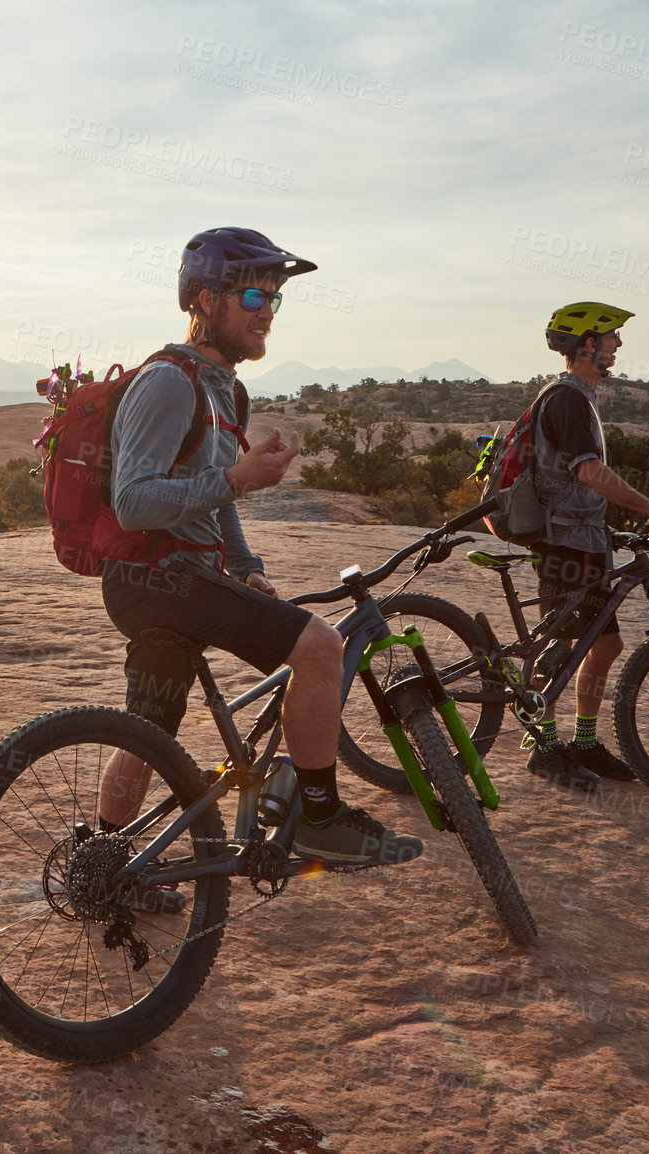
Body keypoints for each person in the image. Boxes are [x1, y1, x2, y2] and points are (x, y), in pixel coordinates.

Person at [92, 227, 424, 868]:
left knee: (147, 732)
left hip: (168, 580)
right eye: (252, 295)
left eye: (274, 297)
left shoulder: (226, 391)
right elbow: (134, 501)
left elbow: (214, 499)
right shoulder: (168, 383)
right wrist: (237, 478)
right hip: (157, 578)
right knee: (322, 647)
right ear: (204, 302)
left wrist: (246, 567)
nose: (266, 310)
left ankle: (102, 867)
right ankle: (319, 818)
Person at [525, 302, 649, 790]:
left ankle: (583, 741)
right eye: (613, 336)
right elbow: (589, 473)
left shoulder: (582, 398)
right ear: (590, 343)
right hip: (562, 542)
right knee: (559, 650)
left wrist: (610, 527)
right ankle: (545, 747)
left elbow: (583, 483)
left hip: (584, 538)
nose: (620, 344)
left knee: (606, 643)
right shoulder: (566, 400)